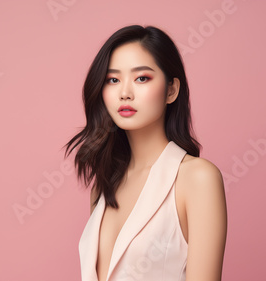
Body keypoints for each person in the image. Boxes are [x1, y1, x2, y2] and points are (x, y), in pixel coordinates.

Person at [63, 25, 227, 281]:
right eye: (113, 79)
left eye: (141, 78)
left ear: (171, 90)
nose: (125, 93)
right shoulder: (104, 186)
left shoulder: (197, 178)